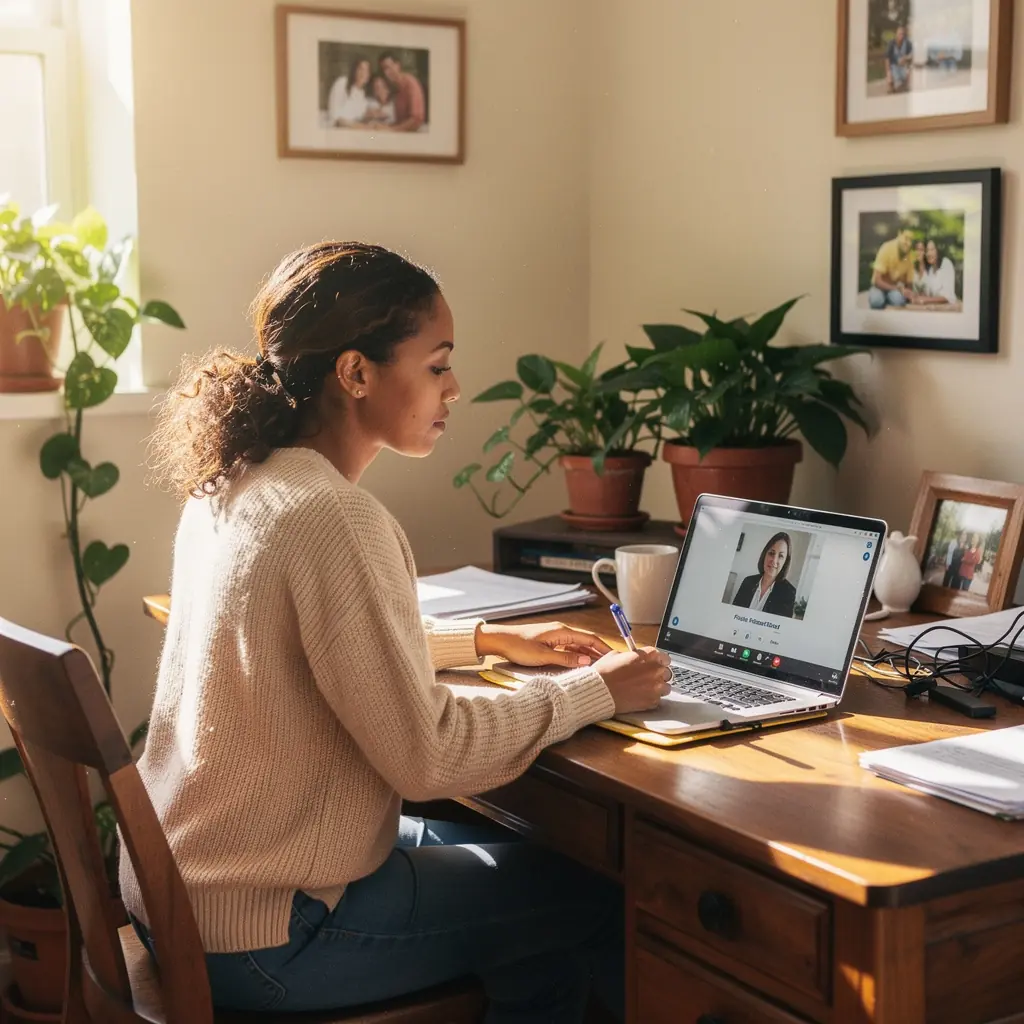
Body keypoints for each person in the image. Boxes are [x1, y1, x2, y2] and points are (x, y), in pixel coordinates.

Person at [127, 241, 673, 1021]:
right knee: (595, 898)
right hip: (272, 935)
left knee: (535, 874)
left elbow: (308, 650)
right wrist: (596, 692)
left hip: (183, 895)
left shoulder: (234, 479)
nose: (455, 388)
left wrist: (482, 642)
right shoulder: (333, 516)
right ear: (356, 373)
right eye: (438, 364)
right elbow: (429, 756)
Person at [731, 532, 797, 619]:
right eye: (771, 553)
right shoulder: (748, 581)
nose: (774, 560)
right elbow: (733, 614)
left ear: (785, 562)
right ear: (765, 554)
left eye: (780, 556)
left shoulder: (788, 593)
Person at [868, 228, 916, 310]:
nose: (908, 243)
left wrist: (909, 294)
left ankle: (887, 299)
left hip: (893, 288)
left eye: (910, 240)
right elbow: (877, 280)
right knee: (876, 301)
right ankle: (882, 297)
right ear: (899, 235)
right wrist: (898, 289)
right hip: (879, 287)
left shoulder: (910, 256)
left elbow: (909, 282)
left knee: (899, 301)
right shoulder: (886, 247)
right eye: (906, 238)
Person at [379, 52, 426, 131]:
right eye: (384, 69)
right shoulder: (396, 88)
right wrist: (384, 126)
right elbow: (401, 122)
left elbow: (416, 120)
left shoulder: (410, 83)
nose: (386, 73)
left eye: (389, 67)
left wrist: (390, 130)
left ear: (398, 65)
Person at [912, 238, 958, 307]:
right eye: (927, 250)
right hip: (936, 308)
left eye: (932, 250)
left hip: (949, 307)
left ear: (938, 251)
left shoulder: (946, 264)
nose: (929, 253)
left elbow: (948, 297)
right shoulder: (930, 270)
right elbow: (928, 294)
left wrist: (925, 300)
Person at [327, 57, 371, 126]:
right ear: (354, 70)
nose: (363, 73)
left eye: (366, 70)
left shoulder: (362, 94)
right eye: (361, 69)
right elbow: (335, 115)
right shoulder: (342, 82)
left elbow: (358, 116)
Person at [886, 24, 913, 93]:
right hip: (894, 66)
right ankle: (892, 85)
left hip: (903, 66)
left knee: (908, 71)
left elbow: (912, 54)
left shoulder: (907, 43)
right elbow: (887, 58)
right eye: (899, 34)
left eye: (902, 34)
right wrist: (888, 72)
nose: (901, 35)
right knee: (898, 86)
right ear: (896, 34)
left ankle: (905, 84)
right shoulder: (891, 43)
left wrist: (906, 58)